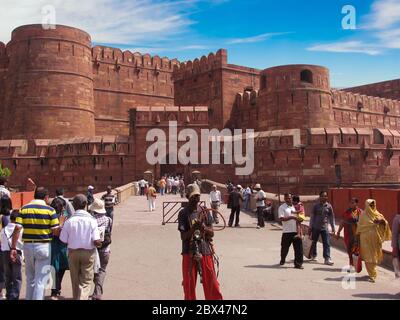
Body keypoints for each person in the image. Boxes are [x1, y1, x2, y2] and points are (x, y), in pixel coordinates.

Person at [11, 187, 60, 300]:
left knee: (30, 278)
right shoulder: (50, 210)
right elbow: (56, 231)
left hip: (28, 246)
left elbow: (17, 228)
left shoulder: (24, 209)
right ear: (46, 197)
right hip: (43, 246)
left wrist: (13, 247)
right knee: (40, 280)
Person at [178, 183, 223, 300]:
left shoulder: (205, 211)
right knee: (189, 286)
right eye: (193, 196)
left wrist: (203, 227)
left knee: (212, 284)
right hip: (189, 250)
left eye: (197, 196)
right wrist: (193, 228)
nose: (196, 199)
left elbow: (211, 232)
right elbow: (183, 236)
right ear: (187, 197)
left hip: (205, 249)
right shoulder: (183, 213)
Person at [60, 194, 101, 300]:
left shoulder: (69, 221)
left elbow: (63, 240)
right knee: (86, 281)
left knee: (75, 280)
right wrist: (99, 243)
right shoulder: (92, 220)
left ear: (74, 205)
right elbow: (96, 240)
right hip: (88, 253)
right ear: (86, 205)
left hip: (73, 253)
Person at [356, 199, 391, 282]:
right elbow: (359, 228)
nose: (372, 207)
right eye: (370, 205)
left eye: (373, 205)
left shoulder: (378, 214)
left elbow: (385, 223)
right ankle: (372, 274)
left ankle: (373, 271)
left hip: (375, 240)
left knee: (375, 256)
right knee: (368, 257)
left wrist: (381, 221)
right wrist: (356, 240)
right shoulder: (363, 215)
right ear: (366, 205)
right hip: (365, 240)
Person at [89, 199, 112, 300]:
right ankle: (97, 292)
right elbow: (110, 232)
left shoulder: (91, 220)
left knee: (94, 271)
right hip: (105, 249)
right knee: (102, 270)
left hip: (93, 250)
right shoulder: (109, 220)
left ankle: (97, 291)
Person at [49, 190, 70, 300]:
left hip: (55, 243)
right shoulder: (63, 215)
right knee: (58, 267)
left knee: (56, 267)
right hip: (60, 243)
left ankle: (55, 288)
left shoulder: (61, 214)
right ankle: (55, 289)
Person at [309, 191, 336, 266]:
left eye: (325, 196)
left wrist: (333, 227)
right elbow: (312, 217)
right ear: (320, 197)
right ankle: (313, 254)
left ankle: (327, 258)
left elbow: (331, 217)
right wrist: (310, 227)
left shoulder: (329, 206)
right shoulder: (316, 206)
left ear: (327, 197)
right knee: (314, 242)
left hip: (325, 227)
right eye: (322, 196)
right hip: (315, 227)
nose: (324, 197)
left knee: (326, 243)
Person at [1, 210, 23, 300]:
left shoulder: (3, 229)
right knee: (17, 277)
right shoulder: (20, 228)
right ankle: (14, 297)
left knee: (7, 276)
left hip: (5, 253)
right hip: (16, 252)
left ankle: (8, 294)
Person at [278, 193, 304, 269]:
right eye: (287, 198)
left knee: (298, 249)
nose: (288, 199)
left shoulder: (293, 207)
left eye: (290, 198)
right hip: (287, 232)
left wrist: (299, 231)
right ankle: (283, 259)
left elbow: (297, 219)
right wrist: (292, 217)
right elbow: (281, 219)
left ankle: (298, 264)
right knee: (285, 248)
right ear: (284, 199)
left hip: (295, 231)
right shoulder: (282, 208)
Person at [336, 198, 362, 266]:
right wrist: (338, 232)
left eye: (353, 203)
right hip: (348, 234)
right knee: (350, 250)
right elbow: (342, 222)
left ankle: (357, 264)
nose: (351, 204)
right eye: (350, 203)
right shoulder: (346, 212)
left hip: (358, 235)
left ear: (356, 203)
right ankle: (351, 264)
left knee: (357, 250)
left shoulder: (360, 212)